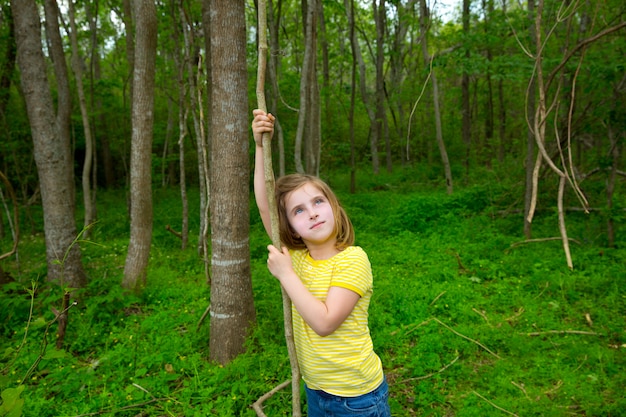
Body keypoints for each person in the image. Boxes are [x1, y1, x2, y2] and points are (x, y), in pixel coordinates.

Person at [252, 109, 391, 416]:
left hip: (357, 398)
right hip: (316, 390)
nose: (312, 212)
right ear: (288, 225)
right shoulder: (298, 258)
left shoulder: (353, 260)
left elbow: (325, 323)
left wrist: (286, 276)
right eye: (298, 210)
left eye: (317, 202)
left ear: (333, 208)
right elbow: (265, 207)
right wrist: (261, 146)